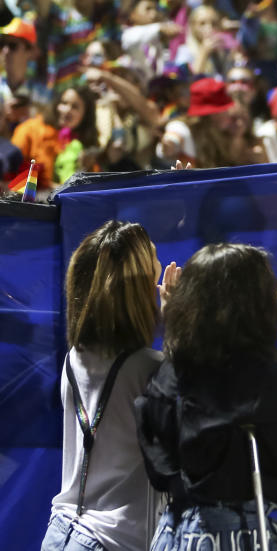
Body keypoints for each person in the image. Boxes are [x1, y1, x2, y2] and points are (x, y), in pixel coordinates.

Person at [137, 243, 277, 551]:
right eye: (268, 288)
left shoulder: (167, 374)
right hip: (240, 535)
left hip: (176, 534)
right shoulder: (260, 379)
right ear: (248, 304)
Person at [41, 221, 173, 551]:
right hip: (115, 540)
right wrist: (175, 328)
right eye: (153, 265)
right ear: (140, 286)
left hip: (61, 533)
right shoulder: (150, 368)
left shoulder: (74, 358)